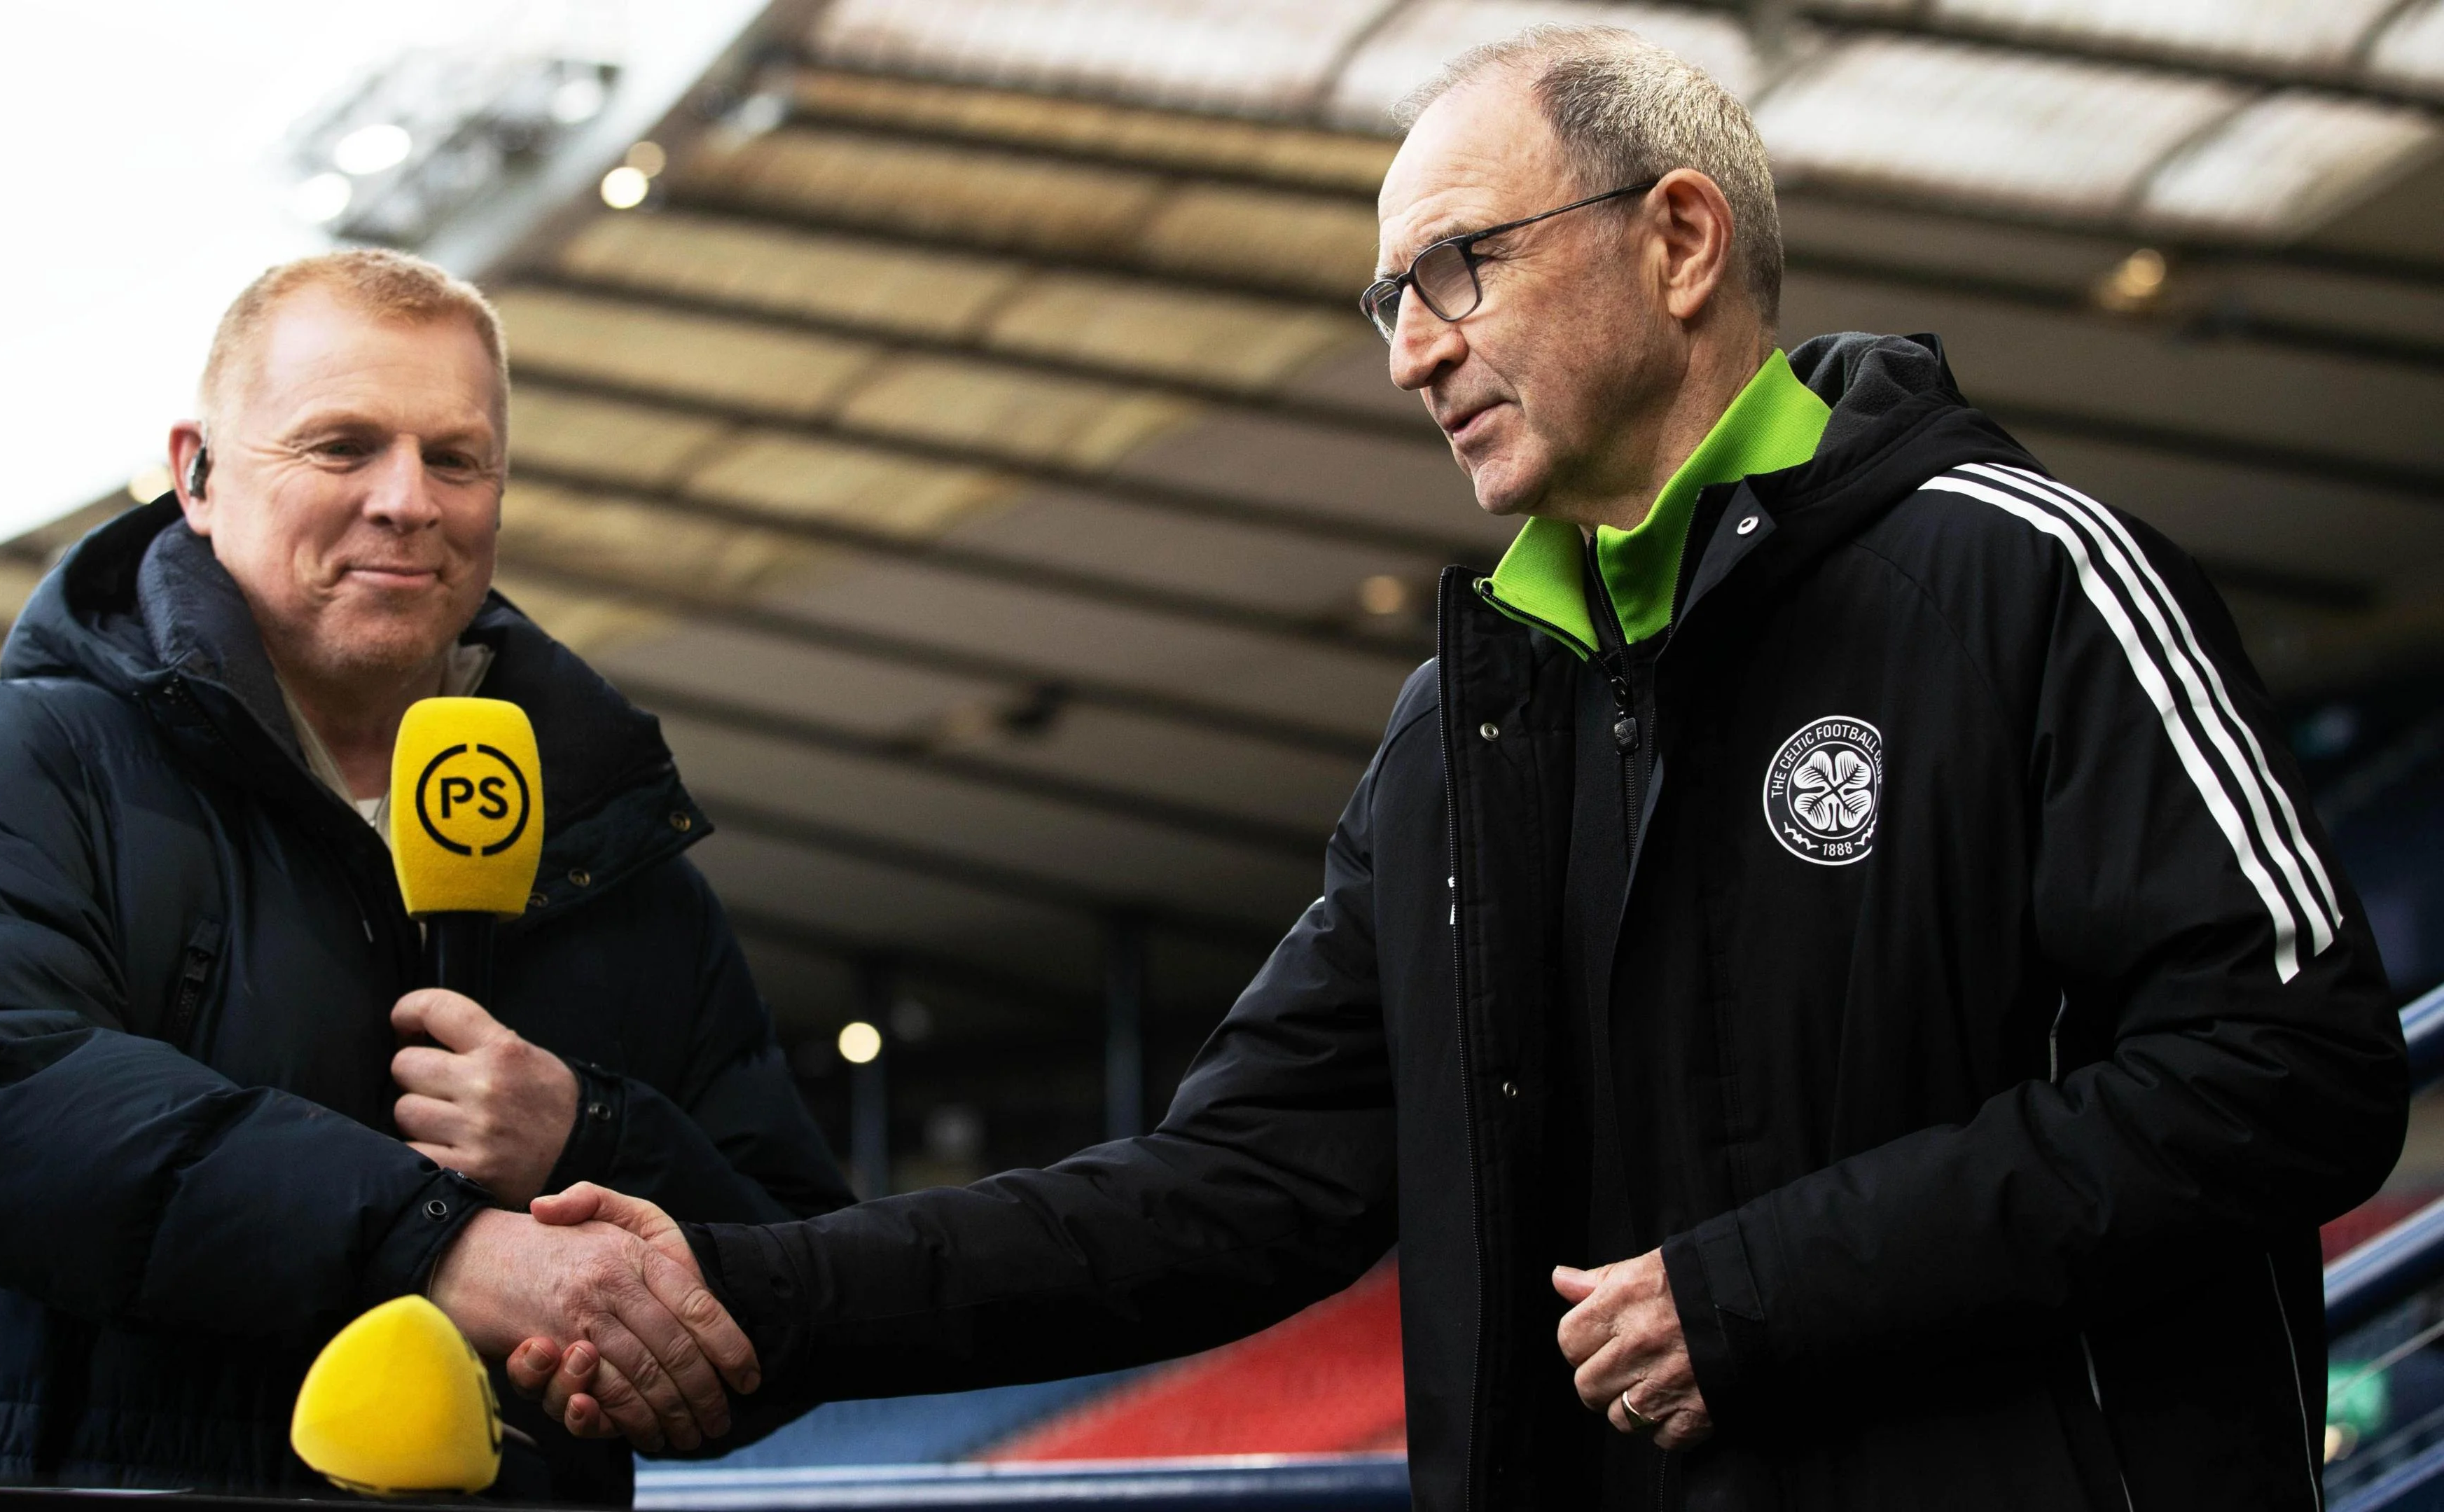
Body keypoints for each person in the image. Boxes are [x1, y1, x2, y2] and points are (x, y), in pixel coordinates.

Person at [499, 26, 2408, 1511]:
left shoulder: (2026, 573)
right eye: (1388, 302)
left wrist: (1765, 1290)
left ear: (1678, 240)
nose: (1415, 352)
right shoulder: (1459, 736)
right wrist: (764, 1291)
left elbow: (2292, 1067)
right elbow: (1227, 1186)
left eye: (1461, 269)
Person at [0, 249, 847, 1502]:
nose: (407, 499)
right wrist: (439, 1243)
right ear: (197, 471)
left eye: (454, 457)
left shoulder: (616, 853)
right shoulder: (24, 764)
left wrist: (590, 1129)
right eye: (341, 445)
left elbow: (795, 1307)